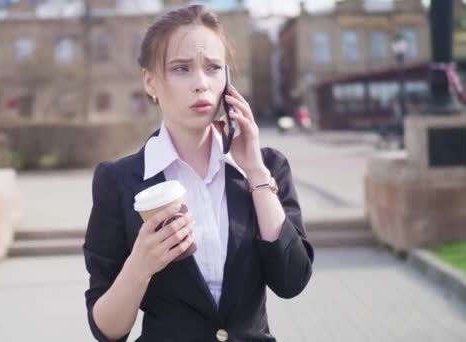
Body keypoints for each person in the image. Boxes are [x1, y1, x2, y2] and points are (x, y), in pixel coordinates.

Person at [83, 5, 314, 341]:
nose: (201, 84)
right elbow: (106, 330)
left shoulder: (266, 167)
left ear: (228, 81)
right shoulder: (119, 181)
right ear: (150, 82)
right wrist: (140, 265)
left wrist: (254, 172)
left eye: (213, 68)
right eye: (181, 69)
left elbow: (292, 281)